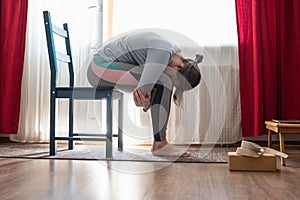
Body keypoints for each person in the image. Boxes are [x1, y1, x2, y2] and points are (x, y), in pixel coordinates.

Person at [87, 31, 202, 157]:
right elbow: (141, 94)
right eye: (175, 80)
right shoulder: (163, 52)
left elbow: (145, 93)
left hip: (105, 67)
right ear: (179, 67)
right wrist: (146, 102)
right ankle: (160, 144)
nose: (172, 84)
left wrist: (147, 102)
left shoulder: (170, 51)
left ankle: (159, 143)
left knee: (163, 79)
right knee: (164, 80)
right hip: (98, 69)